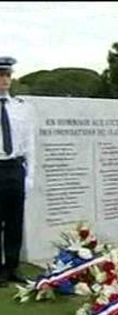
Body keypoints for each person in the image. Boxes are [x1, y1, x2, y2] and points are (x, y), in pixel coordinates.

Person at [0, 56, 35, 286]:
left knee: (15, 222)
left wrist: (30, 176)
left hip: (14, 169)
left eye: (7, 75)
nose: (5, 80)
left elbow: (30, 144)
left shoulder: (21, 108)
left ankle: (11, 268)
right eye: (1, 76)